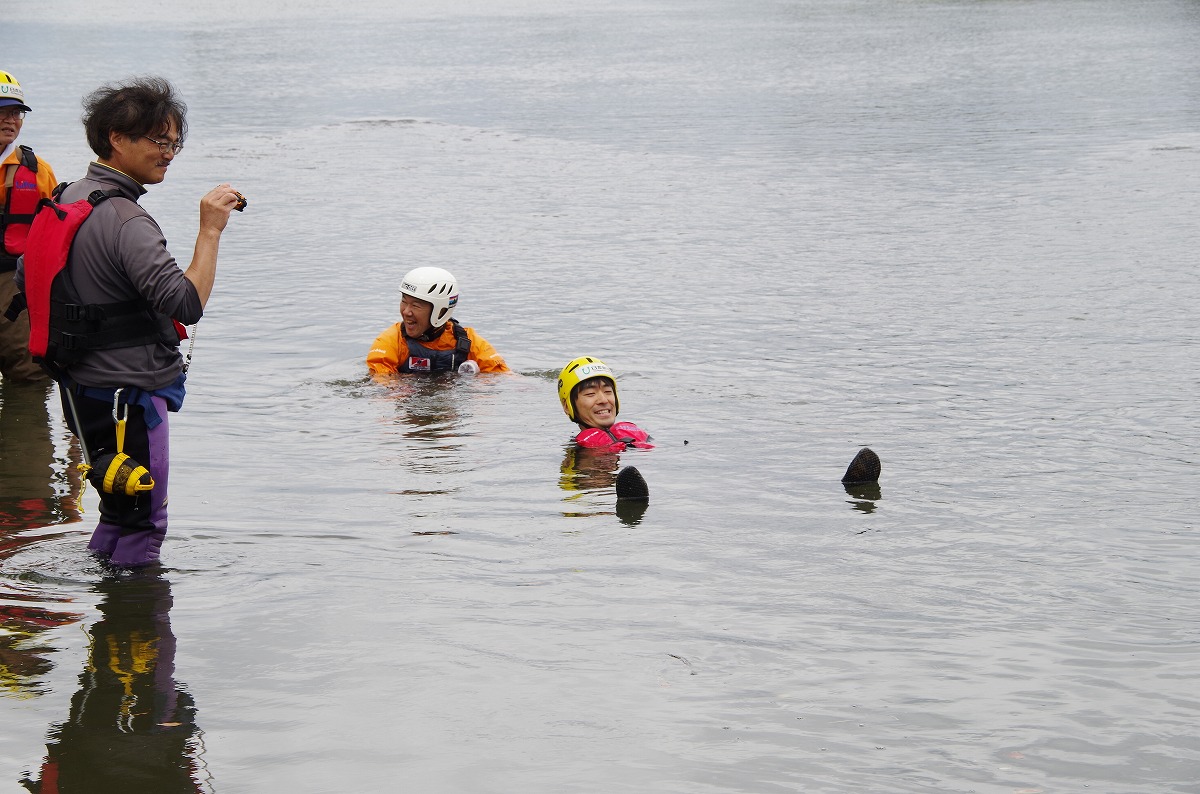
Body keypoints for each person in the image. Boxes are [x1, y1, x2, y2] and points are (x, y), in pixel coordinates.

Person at [11, 76, 243, 568]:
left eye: (175, 142)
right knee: (144, 521)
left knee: (116, 511)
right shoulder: (127, 220)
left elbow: (25, 274)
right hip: (132, 398)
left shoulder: (67, 196)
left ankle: (106, 617)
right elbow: (185, 303)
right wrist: (210, 230)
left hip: (82, 392)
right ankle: (137, 624)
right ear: (117, 138)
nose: (169, 153)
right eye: (159, 140)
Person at [0, 70, 57, 382]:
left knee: (30, 374)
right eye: (2, 112)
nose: (11, 121)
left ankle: (28, 431)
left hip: (13, 283)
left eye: (16, 113)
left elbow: (55, 234)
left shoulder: (38, 171)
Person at [367, 266, 508, 376]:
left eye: (416, 305)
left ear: (440, 311)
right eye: (404, 301)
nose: (406, 312)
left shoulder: (467, 342)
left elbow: (502, 377)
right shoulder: (390, 341)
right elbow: (381, 384)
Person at [557, 356, 652, 452]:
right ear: (567, 406)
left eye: (608, 391)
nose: (603, 400)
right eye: (590, 394)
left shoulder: (636, 434)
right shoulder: (578, 449)